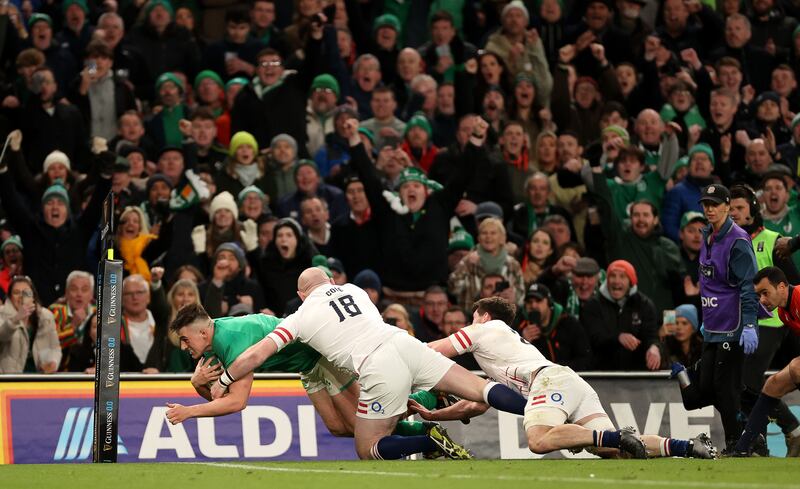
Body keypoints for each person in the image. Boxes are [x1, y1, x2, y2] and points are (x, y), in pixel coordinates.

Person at [210, 268, 530, 460]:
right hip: (406, 343)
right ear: (331, 279)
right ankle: (539, 409)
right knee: (480, 388)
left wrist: (223, 380)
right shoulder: (354, 290)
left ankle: (428, 440)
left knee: (367, 447)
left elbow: (255, 356)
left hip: (378, 365)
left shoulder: (300, 316)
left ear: (301, 294)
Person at [416, 296, 716, 459]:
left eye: (473, 318)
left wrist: (401, 351)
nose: (470, 324)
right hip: (568, 381)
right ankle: (689, 446)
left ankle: (618, 435)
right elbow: (478, 403)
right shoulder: (506, 347)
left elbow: (429, 353)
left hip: (548, 381)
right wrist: (435, 415)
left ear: (483, 315)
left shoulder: (483, 329)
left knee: (538, 440)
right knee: (612, 451)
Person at [671, 184, 759, 452]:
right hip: (712, 324)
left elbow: (749, 286)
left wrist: (750, 324)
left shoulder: (738, 241)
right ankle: (754, 427)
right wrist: (705, 317)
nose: (709, 209)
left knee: (724, 387)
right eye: (706, 204)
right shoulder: (707, 236)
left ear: (727, 207)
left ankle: (737, 443)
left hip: (733, 325)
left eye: (715, 204)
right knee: (706, 388)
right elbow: (709, 283)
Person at [735, 267, 800, 456]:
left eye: (765, 293)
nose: (762, 300)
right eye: (758, 295)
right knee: (772, 384)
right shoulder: (783, 314)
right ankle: (741, 449)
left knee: (796, 367)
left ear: (781, 287)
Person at [0, 276, 61, 373]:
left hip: (39, 377)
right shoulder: (1, 313)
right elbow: (2, 336)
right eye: (16, 293)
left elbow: (54, 348)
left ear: (33, 296)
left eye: (26, 293)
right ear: (10, 297)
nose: (21, 296)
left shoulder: (46, 316)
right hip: (9, 377)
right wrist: (16, 319)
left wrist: (53, 362)